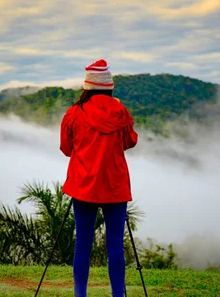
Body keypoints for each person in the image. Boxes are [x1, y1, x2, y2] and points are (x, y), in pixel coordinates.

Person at [60, 59, 138, 297]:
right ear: (109, 86)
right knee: (115, 244)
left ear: (87, 87)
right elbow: (130, 141)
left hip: (83, 185)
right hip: (114, 185)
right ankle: (118, 294)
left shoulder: (74, 113)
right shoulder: (120, 112)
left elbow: (66, 148)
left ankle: (80, 294)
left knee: (82, 244)